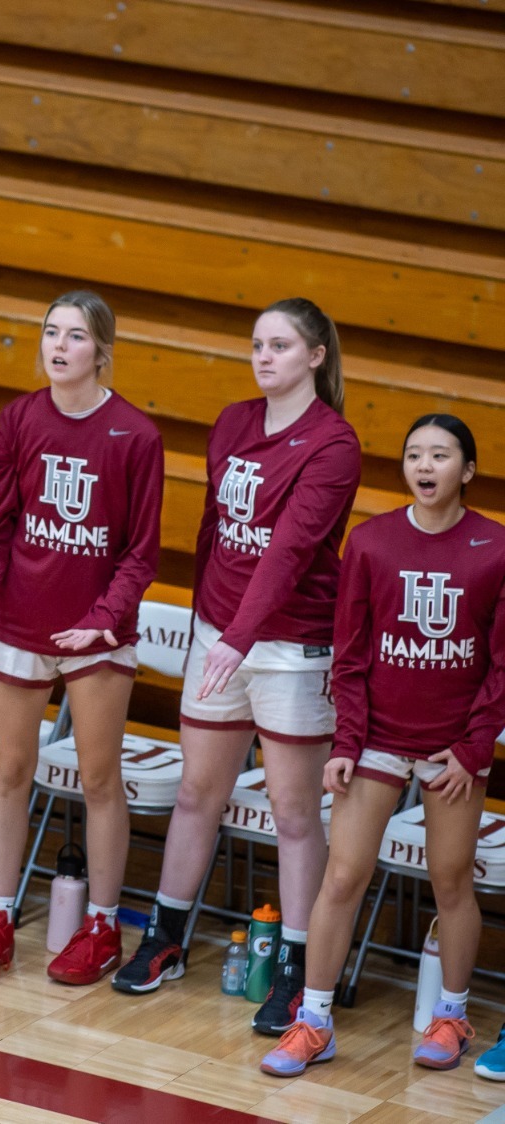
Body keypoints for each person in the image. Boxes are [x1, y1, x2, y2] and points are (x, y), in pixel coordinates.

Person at [112, 299, 360, 1038]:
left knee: (293, 812)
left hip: (289, 650)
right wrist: (207, 624)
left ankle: (296, 967)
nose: (264, 357)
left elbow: (291, 550)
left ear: (315, 355)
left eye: (280, 345)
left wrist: (240, 637)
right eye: (257, 345)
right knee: (197, 792)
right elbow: (215, 530)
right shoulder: (231, 422)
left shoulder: (334, 443)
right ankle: (166, 938)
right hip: (219, 637)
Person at [259, 414, 502, 1078]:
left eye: (441, 455)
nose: (425, 466)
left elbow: (503, 663)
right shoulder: (370, 542)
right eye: (414, 454)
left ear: (468, 470)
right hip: (377, 741)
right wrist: (347, 741)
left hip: (453, 750)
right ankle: (314, 1021)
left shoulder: (495, 547)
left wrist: (474, 748)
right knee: (341, 877)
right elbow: (351, 653)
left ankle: (452, 1016)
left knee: (451, 880)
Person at [0, 291, 164, 986]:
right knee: (10, 771)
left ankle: (102, 926)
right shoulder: (19, 419)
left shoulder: (136, 435)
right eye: (51, 332)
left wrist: (103, 618)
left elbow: (141, 553)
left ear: (103, 350)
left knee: (98, 779)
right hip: (21, 623)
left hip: (97, 633)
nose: (59, 346)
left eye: (76, 336)